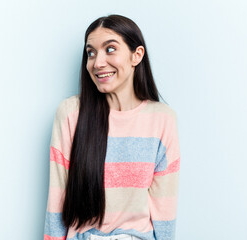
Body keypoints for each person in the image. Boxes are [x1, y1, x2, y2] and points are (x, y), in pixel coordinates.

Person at [44, 14, 181, 240]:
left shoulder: (162, 119)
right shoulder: (71, 113)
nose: (97, 63)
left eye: (110, 49)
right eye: (91, 52)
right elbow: (57, 200)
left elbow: (164, 209)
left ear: (136, 55)